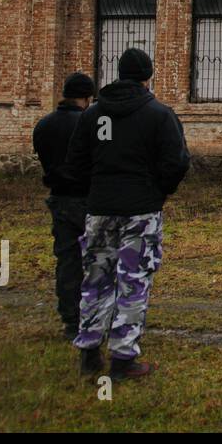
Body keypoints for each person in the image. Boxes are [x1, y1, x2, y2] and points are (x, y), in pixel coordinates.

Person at [64, 48, 190, 381]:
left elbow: (74, 164)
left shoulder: (92, 115)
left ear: (118, 74)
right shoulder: (159, 115)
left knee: (95, 280)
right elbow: (176, 162)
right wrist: (158, 192)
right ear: (148, 76)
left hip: (100, 211)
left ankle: (89, 352)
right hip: (141, 211)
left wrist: (97, 189)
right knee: (133, 281)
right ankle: (123, 359)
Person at [32, 72, 96, 338]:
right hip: (89, 201)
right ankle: (94, 317)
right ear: (87, 97)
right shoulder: (90, 124)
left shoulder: (44, 125)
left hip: (59, 200)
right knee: (97, 261)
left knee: (67, 261)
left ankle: (71, 320)